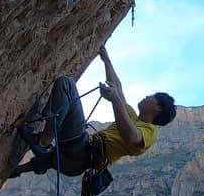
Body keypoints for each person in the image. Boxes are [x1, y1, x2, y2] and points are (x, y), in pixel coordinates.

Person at [10, 45, 176, 178]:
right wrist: (106, 59)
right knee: (49, 160)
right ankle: (15, 171)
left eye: (152, 97)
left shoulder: (150, 132)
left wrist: (116, 101)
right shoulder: (133, 117)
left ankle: (44, 141)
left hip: (82, 151)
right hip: (76, 162)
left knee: (66, 84)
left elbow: (132, 137)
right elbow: (117, 88)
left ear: (158, 107)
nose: (147, 96)